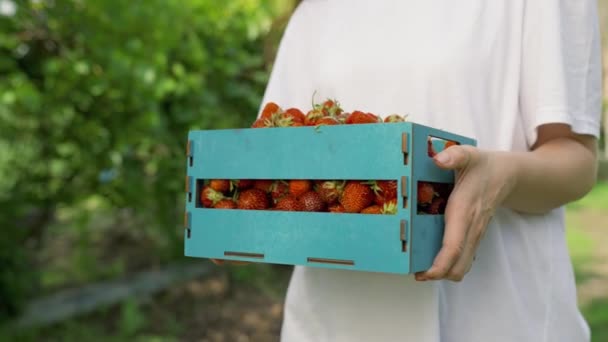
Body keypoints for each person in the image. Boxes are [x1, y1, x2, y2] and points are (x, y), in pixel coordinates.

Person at [217, 0, 603, 341]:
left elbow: (575, 159)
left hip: (498, 319)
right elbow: (279, 156)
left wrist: (501, 176)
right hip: (333, 323)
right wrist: (245, 224)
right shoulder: (316, 11)